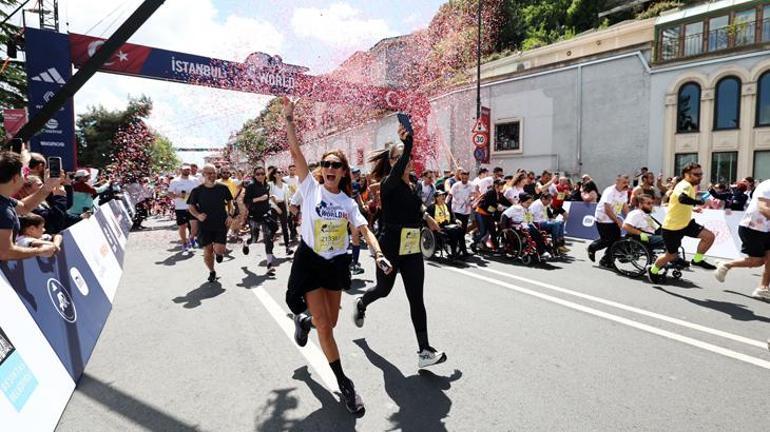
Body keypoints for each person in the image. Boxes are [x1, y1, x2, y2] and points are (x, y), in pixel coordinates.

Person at [282, 98, 390, 414]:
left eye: (335, 165)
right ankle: (345, 384)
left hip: (336, 263)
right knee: (325, 327)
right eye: (326, 164)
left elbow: (364, 228)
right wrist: (289, 118)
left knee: (331, 321)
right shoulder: (311, 188)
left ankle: (303, 321)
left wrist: (378, 254)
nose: (329, 168)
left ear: (343, 172)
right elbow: (296, 153)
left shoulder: (347, 202)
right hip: (310, 260)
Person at [353, 118, 447, 371]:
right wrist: (409, 141)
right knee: (383, 291)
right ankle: (362, 303)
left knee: (417, 299)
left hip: (412, 248)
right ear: (393, 162)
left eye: (408, 155)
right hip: (390, 246)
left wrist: (427, 217)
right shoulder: (388, 184)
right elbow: (399, 169)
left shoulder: (413, 185)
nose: (407, 158)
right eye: (401, 156)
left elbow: (417, 206)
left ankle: (425, 350)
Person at [647, 163, 716, 284]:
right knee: (670, 256)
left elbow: (679, 203)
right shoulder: (684, 185)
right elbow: (682, 199)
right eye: (696, 174)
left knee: (709, 237)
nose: (699, 177)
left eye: (701, 174)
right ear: (686, 174)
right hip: (672, 228)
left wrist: (692, 208)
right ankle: (653, 270)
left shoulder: (689, 185)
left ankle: (697, 260)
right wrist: (697, 201)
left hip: (686, 224)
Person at [0, 151, 62, 261]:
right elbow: (4, 253)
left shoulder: (5, 201)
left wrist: (47, 187)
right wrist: (40, 251)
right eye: (24, 172)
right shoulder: (4, 211)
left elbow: (24, 207)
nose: (26, 176)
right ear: (15, 178)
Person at [714, 179, 770, 299]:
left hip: (767, 230)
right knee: (758, 261)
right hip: (753, 227)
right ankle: (726, 264)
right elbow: (763, 208)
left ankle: (762, 288)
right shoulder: (767, 186)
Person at [187, 164, 234, 283]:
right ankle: (212, 271)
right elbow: (191, 206)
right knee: (208, 250)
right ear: (203, 174)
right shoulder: (197, 190)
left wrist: (230, 215)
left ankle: (218, 253)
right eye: (209, 173)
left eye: (214, 173)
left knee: (220, 250)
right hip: (205, 225)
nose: (212, 175)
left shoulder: (222, 187)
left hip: (220, 223)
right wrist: (198, 215)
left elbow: (230, 202)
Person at [587, 175, 630, 268]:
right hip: (603, 218)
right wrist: (617, 221)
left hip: (613, 217)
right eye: (624, 183)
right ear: (617, 182)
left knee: (616, 240)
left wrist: (629, 218)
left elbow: (624, 206)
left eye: (627, 183)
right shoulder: (610, 191)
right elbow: (607, 209)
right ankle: (592, 247)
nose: (626, 185)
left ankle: (606, 260)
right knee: (607, 240)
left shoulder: (624, 192)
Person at [243, 166, 279, 270]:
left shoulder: (267, 185)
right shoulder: (251, 186)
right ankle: (246, 242)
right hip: (254, 216)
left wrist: (271, 200)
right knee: (254, 239)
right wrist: (259, 199)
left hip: (266, 216)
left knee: (268, 238)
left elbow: (267, 198)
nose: (260, 176)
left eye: (262, 174)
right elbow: (246, 201)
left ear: (265, 175)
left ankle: (269, 264)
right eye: (257, 174)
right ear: (254, 175)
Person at [168, 165, 201, 252]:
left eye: (189, 169)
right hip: (180, 207)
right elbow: (170, 193)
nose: (187, 171)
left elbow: (200, 191)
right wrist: (178, 195)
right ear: (181, 170)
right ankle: (184, 243)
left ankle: (191, 238)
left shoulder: (195, 180)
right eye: (185, 169)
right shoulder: (175, 181)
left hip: (193, 206)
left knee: (195, 226)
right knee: (182, 226)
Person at [427, 190, 465, 258]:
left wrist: (456, 220)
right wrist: (435, 226)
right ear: (436, 198)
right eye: (441, 196)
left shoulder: (446, 205)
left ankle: (464, 251)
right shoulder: (432, 207)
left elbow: (452, 216)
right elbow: (428, 219)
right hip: (439, 226)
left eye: (443, 195)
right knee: (454, 232)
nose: (443, 197)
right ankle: (454, 253)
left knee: (460, 230)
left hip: (448, 225)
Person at [472, 179, 507, 252]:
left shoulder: (499, 194)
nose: (502, 186)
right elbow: (487, 203)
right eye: (500, 185)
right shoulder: (490, 192)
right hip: (481, 213)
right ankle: (474, 243)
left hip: (489, 214)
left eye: (502, 185)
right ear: (496, 185)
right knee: (483, 232)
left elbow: (504, 201)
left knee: (493, 231)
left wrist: (514, 205)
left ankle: (496, 247)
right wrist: (496, 206)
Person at [268, 166, 294, 256]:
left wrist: (289, 206)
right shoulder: (270, 184)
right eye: (279, 172)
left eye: (282, 172)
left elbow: (287, 198)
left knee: (285, 228)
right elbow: (269, 198)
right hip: (273, 206)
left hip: (283, 206)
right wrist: (276, 207)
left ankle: (287, 247)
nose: (281, 173)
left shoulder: (285, 185)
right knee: (273, 228)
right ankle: (269, 249)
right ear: (274, 175)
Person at [448, 169, 473, 255]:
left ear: (468, 177)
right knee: (459, 230)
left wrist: (472, 199)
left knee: (463, 231)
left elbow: (473, 195)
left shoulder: (471, 185)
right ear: (460, 177)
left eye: (466, 178)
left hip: (466, 211)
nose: (464, 180)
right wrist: (445, 206)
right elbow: (450, 195)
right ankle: (462, 250)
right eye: (463, 178)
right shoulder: (456, 185)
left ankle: (461, 249)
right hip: (456, 210)